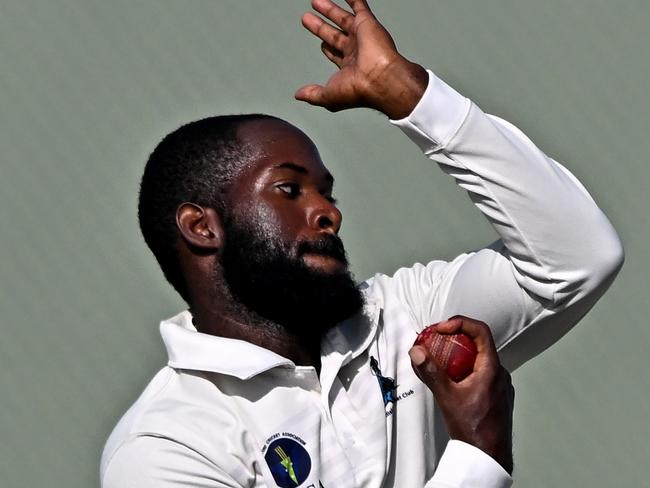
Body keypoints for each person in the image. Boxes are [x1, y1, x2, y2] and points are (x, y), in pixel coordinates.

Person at [100, 0, 624, 487]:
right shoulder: (166, 445)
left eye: (326, 192)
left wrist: (408, 93)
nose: (328, 212)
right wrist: (475, 458)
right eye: (289, 190)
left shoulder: (404, 320)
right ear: (201, 226)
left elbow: (577, 257)